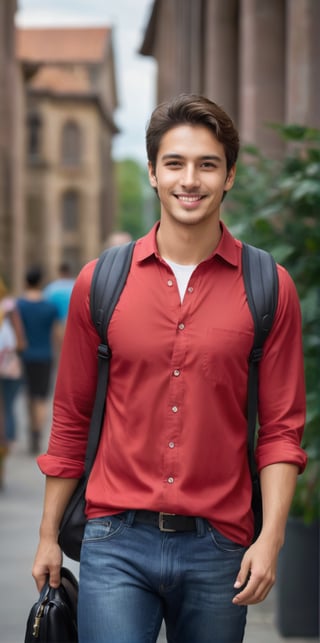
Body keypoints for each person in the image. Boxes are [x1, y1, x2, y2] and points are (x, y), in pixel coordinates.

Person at [31, 94, 307, 643]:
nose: (191, 179)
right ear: (153, 173)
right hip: (115, 540)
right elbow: (70, 416)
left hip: (220, 547)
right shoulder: (101, 283)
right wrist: (46, 535)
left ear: (229, 176)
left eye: (207, 164)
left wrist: (270, 538)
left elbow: (280, 431)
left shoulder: (270, 287)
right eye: (175, 163)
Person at [17, 267, 59, 455]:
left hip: (24, 355)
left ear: (26, 282)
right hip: (45, 355)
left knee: (29, 395)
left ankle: (31, 428)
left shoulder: (19, 305)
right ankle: (37, 433)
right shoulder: (50, 307)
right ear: (40, 283)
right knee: (41, 397)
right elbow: (56, 334)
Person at [0, 277, 26, 447]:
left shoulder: (8, 307)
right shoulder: (9, 306)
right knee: (8, 402)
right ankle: (8, 437)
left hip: (7, 361)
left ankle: (6, 437)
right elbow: (21, 340)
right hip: (8, 361)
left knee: (5, 402)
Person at [43, 262, 75, 352]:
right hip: (72, 323)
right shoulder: (76, 285)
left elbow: (45, 305)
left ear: (60, 272)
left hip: (56, 324)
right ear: (69, 272)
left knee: (58, 352)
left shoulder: (51, 288)